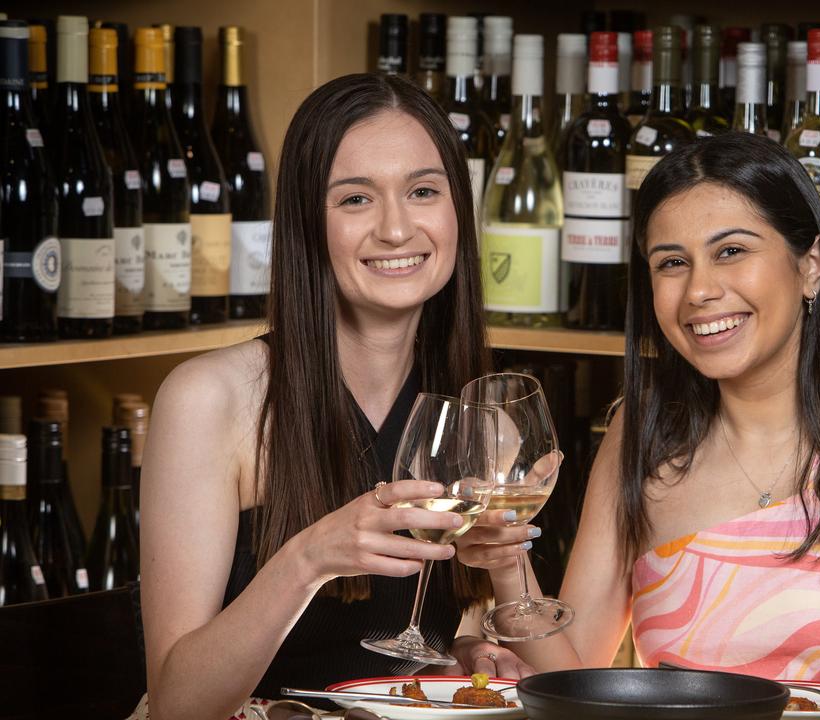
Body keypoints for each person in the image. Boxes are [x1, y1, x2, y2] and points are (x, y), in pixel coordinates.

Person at [457, 132, 820, 690]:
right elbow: (580, 684)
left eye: (731, 251)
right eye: (672, 263)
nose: (699, 291)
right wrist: (507, 565)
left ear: (810, 265)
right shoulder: (640, 438)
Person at [137, 74, 531, 720]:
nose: (397, 229)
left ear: (458, 210)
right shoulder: (208, 402)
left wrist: (460, 654)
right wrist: (310, 557)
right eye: (355, 200)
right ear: (306, 222)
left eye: (424, 191)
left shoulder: (481, 425)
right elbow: (177, 705)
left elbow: (449, 649)